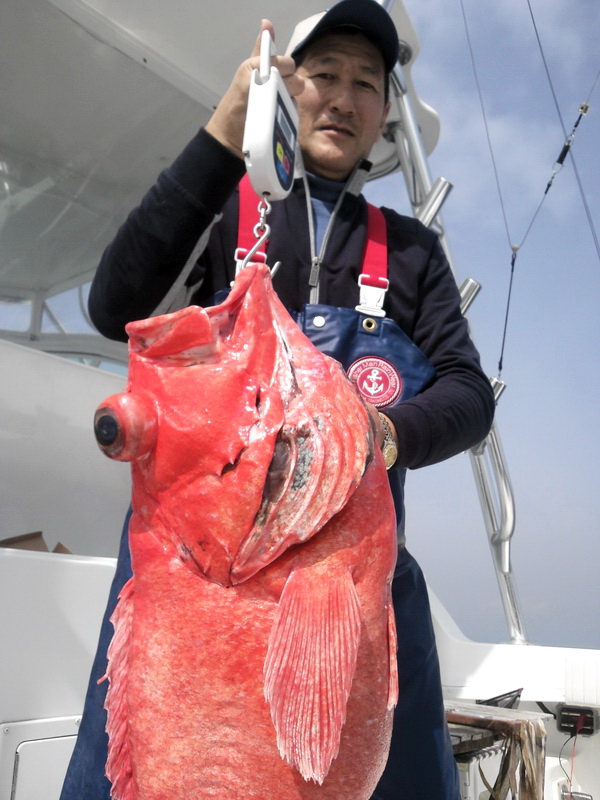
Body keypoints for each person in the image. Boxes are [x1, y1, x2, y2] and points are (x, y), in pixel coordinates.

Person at [61, 1, 495, 798]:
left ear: (385, 114)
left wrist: (382, 434)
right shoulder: (228, 211)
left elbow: (469, 394)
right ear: (286, 94)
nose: (343, 96)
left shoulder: (413, 253)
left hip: (354, 584)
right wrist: (224, 134)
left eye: (368, 82)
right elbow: (115, 299)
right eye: (323, 74)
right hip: (195, 572)